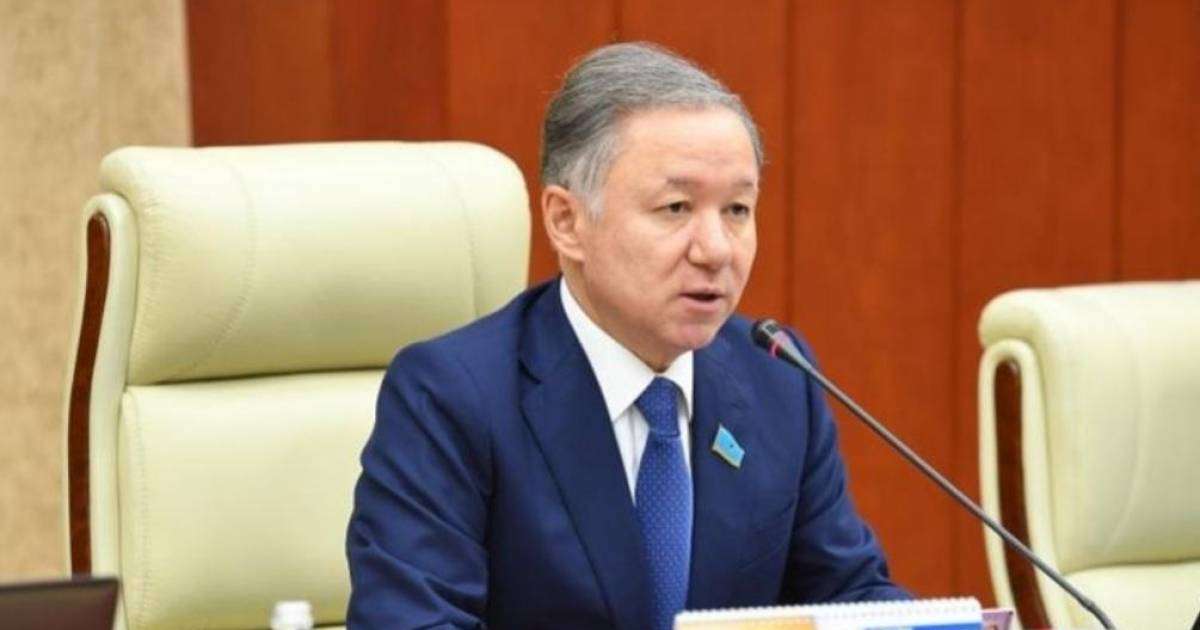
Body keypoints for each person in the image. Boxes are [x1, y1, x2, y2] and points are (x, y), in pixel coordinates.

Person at [346, 42, 908, 629]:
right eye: (676, 208)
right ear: (567, 221)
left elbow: (851, 596)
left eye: (737, 210)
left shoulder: (778, 380)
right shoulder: (452, 396)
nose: (716, 249)